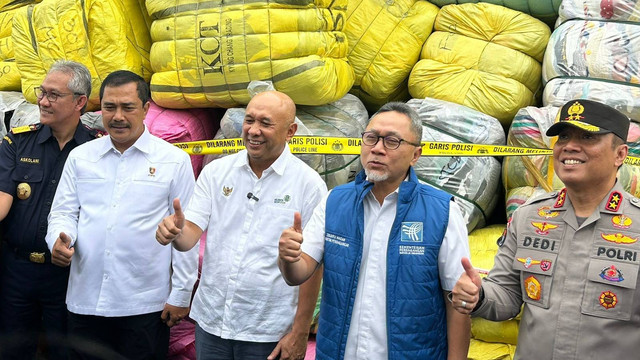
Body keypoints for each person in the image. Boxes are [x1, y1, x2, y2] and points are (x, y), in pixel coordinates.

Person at [278, 102, 471, 360]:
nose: (377, 149)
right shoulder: (335, 201)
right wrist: (287, 258)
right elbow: (298, 273)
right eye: (371, 138)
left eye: (392, 141)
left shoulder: (441, 211)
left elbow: (457, 302)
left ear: (416, 155)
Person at [451, 99, 639, 359]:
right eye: (563, 137)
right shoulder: (529, 216)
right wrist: (479, 295)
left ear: (620, 155)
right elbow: (506, 294)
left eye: (587, 137)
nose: (569, 146)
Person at [155, 90, 327, 360]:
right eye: (249, 121)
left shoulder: (308, 184)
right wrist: (176, 232)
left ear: (290, 130)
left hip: (267, 331)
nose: (253, 130)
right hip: (212, 322)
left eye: (265, 123)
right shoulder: (217, 171)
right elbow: (190, 235)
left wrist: (300, 332)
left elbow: (313, 266)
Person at [45, 70, 198, 359]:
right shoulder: (81, 157)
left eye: (127, 107)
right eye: (109, 107)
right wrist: (58, 239)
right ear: (99, 107)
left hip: (143, 304)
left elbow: (184, 230)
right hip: (85, 299)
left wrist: (180, 293)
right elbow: (63, 212)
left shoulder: (173, 160)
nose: (117, 116)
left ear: (146, 109)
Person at [0, 60, 99, 359]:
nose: (42, 101)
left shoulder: (95, 151)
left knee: (66, 352)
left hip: (69, 276)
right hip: (17, 271)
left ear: (80, 102)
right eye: (42, 92)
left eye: (53, 95)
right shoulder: (18, 142)